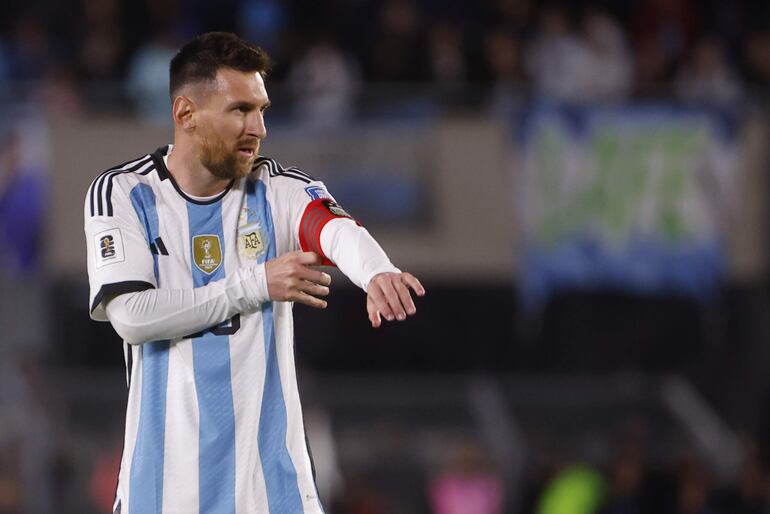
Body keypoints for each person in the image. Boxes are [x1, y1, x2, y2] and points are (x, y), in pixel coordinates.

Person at [83, 32, 424, 514]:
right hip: (162, 494)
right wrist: (256, 284)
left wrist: (377, 272)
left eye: (262, 109)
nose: (258, 127)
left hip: (273, 493)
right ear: (185, 114)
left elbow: (334, 229)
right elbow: (132, 317)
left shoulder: (276, 189)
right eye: (240, 110)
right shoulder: (124, 193)